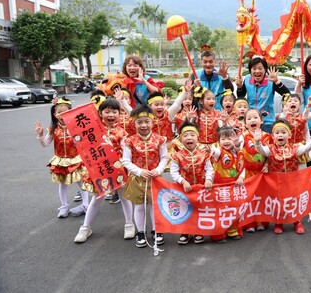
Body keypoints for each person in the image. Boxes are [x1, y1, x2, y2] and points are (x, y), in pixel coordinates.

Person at [74, 98, 135, 243]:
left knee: (124, 198)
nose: (111, 115)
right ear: (100, 113)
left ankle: (129, 224)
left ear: (120, 114)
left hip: (118, 170)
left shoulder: (122, 132)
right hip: (99, 170)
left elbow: (126, 151)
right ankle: (85, 227)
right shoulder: (93, 129)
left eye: (114, 112)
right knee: (96, 199)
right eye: (107, 111)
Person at [253, 119, 311, 234]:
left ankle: (297, 222)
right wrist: (257, 142)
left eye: (283, 132)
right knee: (278, 202)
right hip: (276, 183)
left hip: (293, 181)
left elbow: (306, 148)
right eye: (277, 133)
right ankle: (278, 223)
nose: (280, 135)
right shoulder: (270, 149)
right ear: (273, 136)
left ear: (289, 134)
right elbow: (261, 150)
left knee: (294, 201)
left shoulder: (295, 148)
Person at [121, 104, 168, 248]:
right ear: (134, 123)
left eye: (147, 121)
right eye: (139, 122)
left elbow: (165, 158)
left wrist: (158, 170)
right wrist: (139, 171)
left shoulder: (160, 140)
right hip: (137, 179)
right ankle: (140, 232)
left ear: (152, 122)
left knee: (155, 206)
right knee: (139, 206)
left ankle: (156, 230)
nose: (143, 125)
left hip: (155, 178)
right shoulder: (129, 141)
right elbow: (126, 161)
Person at [34, 98, 90, 218]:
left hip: (76, 159)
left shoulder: (76, 126)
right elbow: (45, 144)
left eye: (65, 111)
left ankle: (86, 205)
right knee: (62, 184)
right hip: (60, 160)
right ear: (55, 115)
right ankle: (64, 206)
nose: (62, 114)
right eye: (59, 112)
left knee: (81, 182)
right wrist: (40, 135)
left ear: (71, 111)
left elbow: (84, 140)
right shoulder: (53, 129)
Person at [170, 121, 214, 245]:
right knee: (185, 209)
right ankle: (185, 232)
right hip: (184, 189)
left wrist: (209, 179)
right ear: (180, 138)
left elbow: (209, 169)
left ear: (197, 137)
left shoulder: (204, 154)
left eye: (192, 135)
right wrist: (183, 181)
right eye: (185, 135)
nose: (189, 138)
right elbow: (173, 172)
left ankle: (198, 231)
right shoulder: (177, 156)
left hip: (200, 189)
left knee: (198, 209)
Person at [237, 108, 272, 233]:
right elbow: (237, 150)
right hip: (248, 173)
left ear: (261, 121)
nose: (253, 120)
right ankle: (249, 222)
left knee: (261, 197)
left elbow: (270, 155)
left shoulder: (268, 137)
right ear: (245, 123)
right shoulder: (243, 136)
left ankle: (261, 221)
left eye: (255, 118)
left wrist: (267, 165)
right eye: (249, 118)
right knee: (249, 198)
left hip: (262, 173)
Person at [236, 56, 290, 133]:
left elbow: (287, 94)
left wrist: (277, 82)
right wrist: (239, 87)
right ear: (250, 70)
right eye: (254, 68)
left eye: (260, 68)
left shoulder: (271, 80)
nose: (257, 71)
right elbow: (240, 96)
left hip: (267, 121)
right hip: (251, 121)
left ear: (265, 69)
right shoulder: (247, 79)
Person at [209, 126, 243, 243]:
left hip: (234, 186)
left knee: (234, 208)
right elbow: (214, 151)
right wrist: (211, 150)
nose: (227, 141)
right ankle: (219, 233)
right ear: (219, 142)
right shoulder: (219, 153)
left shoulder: (239, 153)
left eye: (230, 138)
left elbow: (243, 167)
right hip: (220, 187)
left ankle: (232, 230)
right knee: (220, 210)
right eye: (223, 139)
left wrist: (242, 177)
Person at [191, 45, 234, 111]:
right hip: (201, 111)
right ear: (201, 62)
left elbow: (230, 91)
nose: (208, 65)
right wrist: (196, 88)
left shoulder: (222, 73)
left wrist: (225, 77)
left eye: (210, 61)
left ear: (215, 61)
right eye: (205, 62)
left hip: (218, 110)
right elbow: (191, 95)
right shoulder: (195, 74)